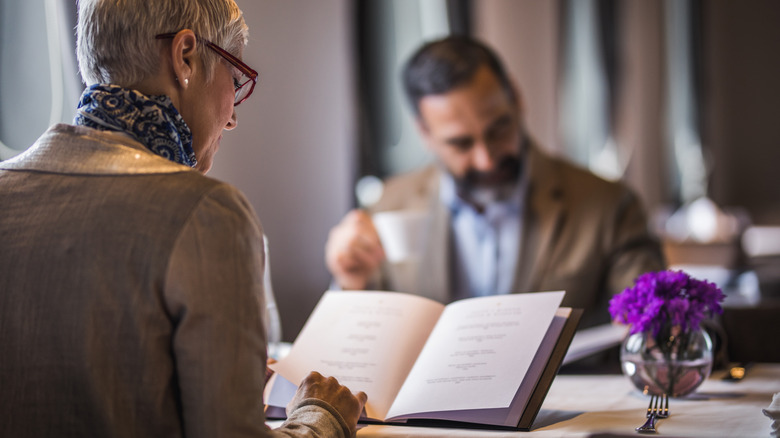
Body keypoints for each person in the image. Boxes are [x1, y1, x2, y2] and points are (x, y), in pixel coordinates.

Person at [0, 0, 365, 436]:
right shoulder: (207, 213)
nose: (231, 118)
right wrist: (321, 415)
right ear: (185, 56)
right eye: (235, 78)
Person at [326, 36, 665, 329]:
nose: (486, 159)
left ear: (516, 98)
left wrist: (655, 329)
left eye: (498, 129)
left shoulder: (609, 205)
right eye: (461, 143)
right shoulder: (388, 205)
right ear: (425, 133)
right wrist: (350, 283)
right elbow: (358, 340)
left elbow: (660, 317)